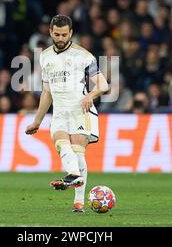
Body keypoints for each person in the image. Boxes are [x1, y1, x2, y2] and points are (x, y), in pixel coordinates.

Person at [25, 14, 109, 213]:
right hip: (60, 112)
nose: (60, 38)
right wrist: (37, 121)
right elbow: (47, 92)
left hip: (81, 109)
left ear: (71, 33)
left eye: (64, 34)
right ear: (50, 33)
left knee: (77, 149)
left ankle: (78, 202)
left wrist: (91, 95)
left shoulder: (84, 56)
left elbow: (103, 84)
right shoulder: (44, 56)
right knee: (62, 144)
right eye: (57, 34)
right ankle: (73, 175)